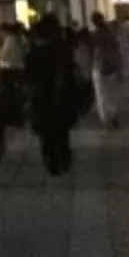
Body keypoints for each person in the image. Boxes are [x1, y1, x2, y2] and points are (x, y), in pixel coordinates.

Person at [28, 14, 83, 176]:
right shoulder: (62, 50)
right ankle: (64, 159)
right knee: (61, 132)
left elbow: (28, 77)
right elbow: (71, 74)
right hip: (60, 98)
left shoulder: (34, 53)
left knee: (46, 134)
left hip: (41, 98)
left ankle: (51, 161)